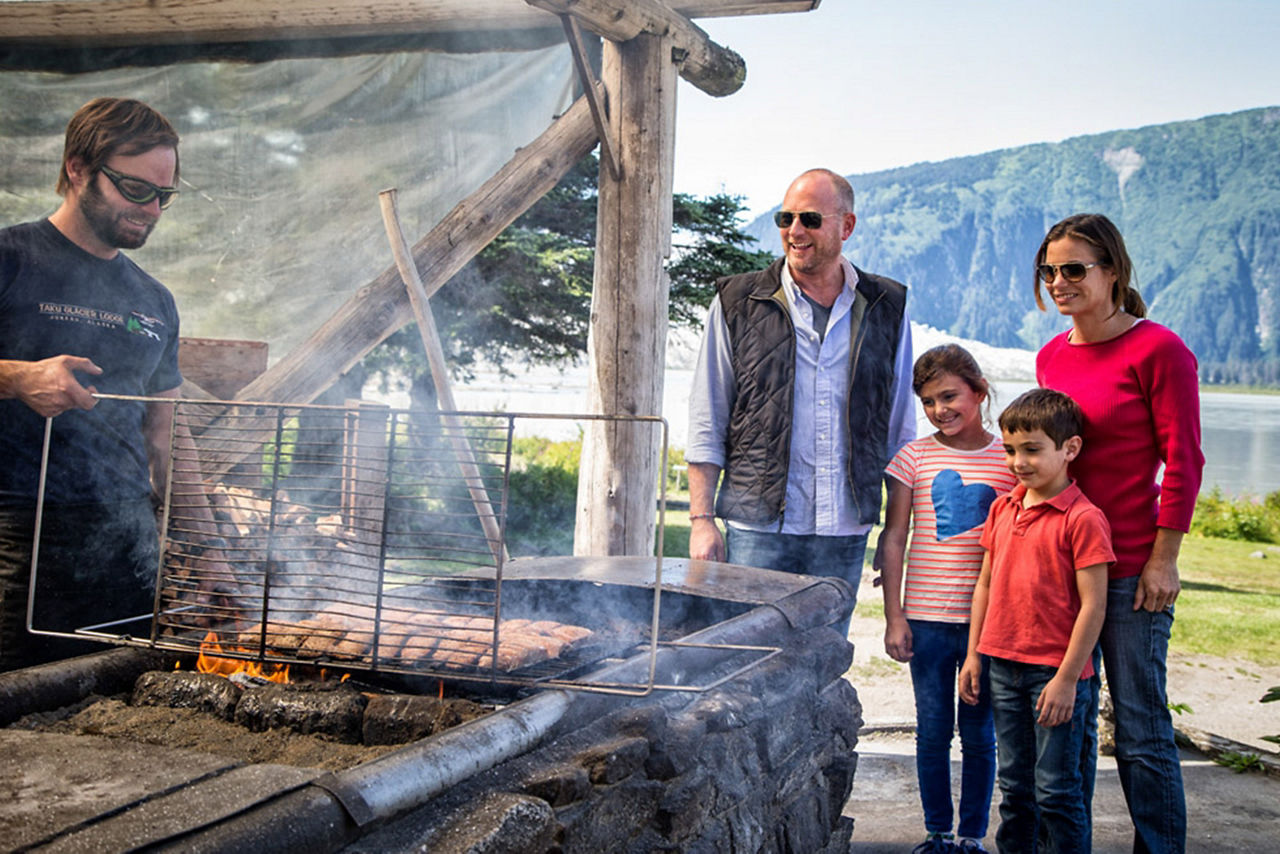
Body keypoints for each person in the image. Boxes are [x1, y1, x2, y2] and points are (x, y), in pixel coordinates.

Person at [0, 97, 226, 671]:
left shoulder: (154, 301)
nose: (151, 210)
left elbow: (168, 440)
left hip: (125, 543)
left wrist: (212, 563)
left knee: (119, 716)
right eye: (135, 189)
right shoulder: (11, 258)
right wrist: (18, 377)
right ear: (78, 168)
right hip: (15, 539)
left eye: (163, 196)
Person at [1033, 213, 1203, 854]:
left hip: (1133, 569)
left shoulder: (1159, 349)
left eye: (1074, 269)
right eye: (1050, 271)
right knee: (1066, 722)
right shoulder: (1051, 356)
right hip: (1065, 570)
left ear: (1113, 272)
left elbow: (1185, 460)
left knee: (1139, 727)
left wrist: (1165, 559)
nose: (1059, 282)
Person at [685, 167, 914, 623]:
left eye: (810, 219)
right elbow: (706, 416)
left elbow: (900, 432)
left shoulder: (888, 306)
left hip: (845, 529)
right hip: (757, 527)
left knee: (826, 657)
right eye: (785, 218)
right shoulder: (736, 301)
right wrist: (701, 520)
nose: (794, 231)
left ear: (846, 226)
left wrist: (893, 537)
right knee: (748, 656)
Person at [959, 388, 1112, 854]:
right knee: (1016, 790)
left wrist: (1067, 680)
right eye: (1010, 450)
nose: (1018, 462)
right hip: (1002, 666)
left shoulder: (1083, 518)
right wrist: (973, 655)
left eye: (1032, 449)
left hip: (1055, 674)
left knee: (1057, 792)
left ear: (1070, 449)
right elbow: (985, 583)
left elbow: (1094, 605)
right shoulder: (1003, 508)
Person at [880, 344, 1015, 854]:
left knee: (980, 737)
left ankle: (971, 836)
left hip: (989, 625)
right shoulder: (913, 457)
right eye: (929, 401)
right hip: (927, 621)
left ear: (979, 392)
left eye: (951, 396)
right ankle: (937, 832)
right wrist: (895, 616)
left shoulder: (1009, 459)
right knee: (933, 732)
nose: (941, 409)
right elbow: (894, 538)